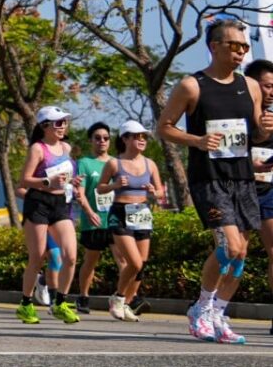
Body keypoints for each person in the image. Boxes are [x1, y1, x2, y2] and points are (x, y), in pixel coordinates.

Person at [157, 18, 272, 344]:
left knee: (241, 254)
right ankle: (201, 308)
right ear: (215, 46)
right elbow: (164, 127)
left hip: (242, 178)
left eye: (244, 47)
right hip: (209, 178)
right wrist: (197, 140)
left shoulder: (249, 86)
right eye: (234, 46)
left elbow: (258, 134)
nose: (240, 52)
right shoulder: (191, 86)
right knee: (229, 246)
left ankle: (219, 313)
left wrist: (267, 126)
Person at [15, 106, 81, 325]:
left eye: (64, 122)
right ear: (45, 126)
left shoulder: (67, 147)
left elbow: (66, 177)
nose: (63, 126)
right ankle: (26, 304)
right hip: (38, 203)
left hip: (61, 204)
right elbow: (25, 180)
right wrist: (47, 182)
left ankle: (60, 302)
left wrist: (73, 182)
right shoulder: (38, 149)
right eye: (58, 123)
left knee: (70, 255)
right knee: (38, 256)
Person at [98, 120, 163, 322]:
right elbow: (100, 188)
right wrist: (115, 184)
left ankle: (126, 303)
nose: (141, 140)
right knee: (133, 262)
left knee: (141, 265)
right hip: (120, 212)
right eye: (136, 136)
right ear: (125, 139)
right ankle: (117, 298)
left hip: (142, 213)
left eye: (143, 136)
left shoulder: (150, 164)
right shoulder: (114, 163)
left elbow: (160, 192)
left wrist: (154, 192)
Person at [243, 58, 273, 335]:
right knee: (234, 253)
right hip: (239, 191)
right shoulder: (239, 115)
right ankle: (211, 304)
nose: (272, 91)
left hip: (268, 193)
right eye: (267, 86)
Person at [75, 122, 117, 314]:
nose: (102, 141)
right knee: (91, 261)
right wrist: (90, 212)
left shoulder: (116, 163)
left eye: (106, 138)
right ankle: (83, 296)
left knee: (125, 261)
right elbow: (80, 192)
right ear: (91, 140)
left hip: (116, 220)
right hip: (94, 221)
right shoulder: (84, 163)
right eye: (98, 138)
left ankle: (125, 299)